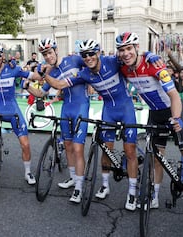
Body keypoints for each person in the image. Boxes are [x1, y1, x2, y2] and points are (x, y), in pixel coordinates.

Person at [116, 31, 183, 232]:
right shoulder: (123, 68)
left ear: (136, 48)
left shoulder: (154, 65)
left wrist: (176, 118)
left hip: (174, 109)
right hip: (155, 113)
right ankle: (155, 196)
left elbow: (175, 96)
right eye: (121, 50)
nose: (125, 53)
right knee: (156, 157)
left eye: (129, 48)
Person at [36, 39, 139, 210]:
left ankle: (133, 192)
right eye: (85, 55)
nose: (89, 57)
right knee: (107, 149)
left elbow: (132, 58)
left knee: (130, 151)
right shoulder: (84, 73)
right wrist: (41, 75)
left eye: (92, 53)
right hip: (108, 110)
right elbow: (60, 84)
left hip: (126, 107)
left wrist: (149, 55)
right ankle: (105, 185)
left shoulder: (112, 61)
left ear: (98, 52)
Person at [24, 38, 90, 203]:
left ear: (56, 50)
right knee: (67, 146)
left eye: (49, 52)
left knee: (77, 148)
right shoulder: (51, 72)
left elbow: (92, 63)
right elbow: (42, 94)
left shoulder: (74, 59)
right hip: (66, 108)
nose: (47, 56)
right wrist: (27, 87)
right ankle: (73, 178)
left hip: (81, 106)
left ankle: (79, 187)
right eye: (44, 54)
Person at [0, 41, 38, 185]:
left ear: (3, 55)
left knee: (25, 144)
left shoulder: (13, 69)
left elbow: (34, 76)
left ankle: (28, 172)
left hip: (13, 110)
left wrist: (42, 71)